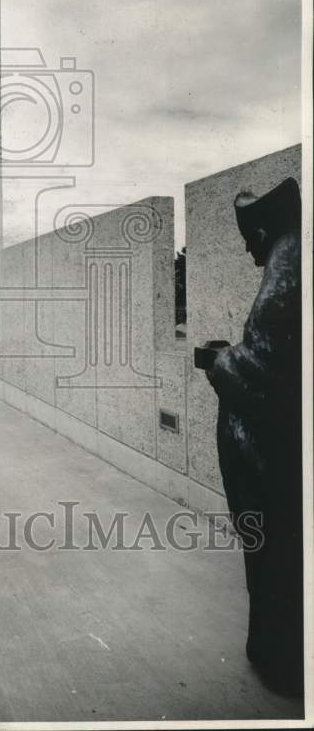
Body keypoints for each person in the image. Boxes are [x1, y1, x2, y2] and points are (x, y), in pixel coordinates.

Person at [205, 176, 302, 696]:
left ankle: (279, 658)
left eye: (250, 236)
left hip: (275, 477)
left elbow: (267, 379)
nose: (246, 247)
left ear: (265, 229)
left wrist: (220, 360)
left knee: (275, 564)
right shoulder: (288, 266)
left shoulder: (283, 283)